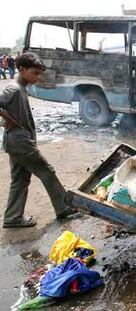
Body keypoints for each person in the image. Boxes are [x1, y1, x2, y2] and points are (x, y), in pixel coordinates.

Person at [0, 53, 77, 228]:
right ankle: (63, 207)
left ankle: (12, 218)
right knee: (47, 171)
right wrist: (5, 118)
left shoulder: (21, 88)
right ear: (22, 70)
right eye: (35, 73)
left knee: (20, 180)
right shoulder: (13, 89)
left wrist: (7, 119)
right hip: (20, 142)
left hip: (17, 142)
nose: (39, 77)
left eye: (40, 74)